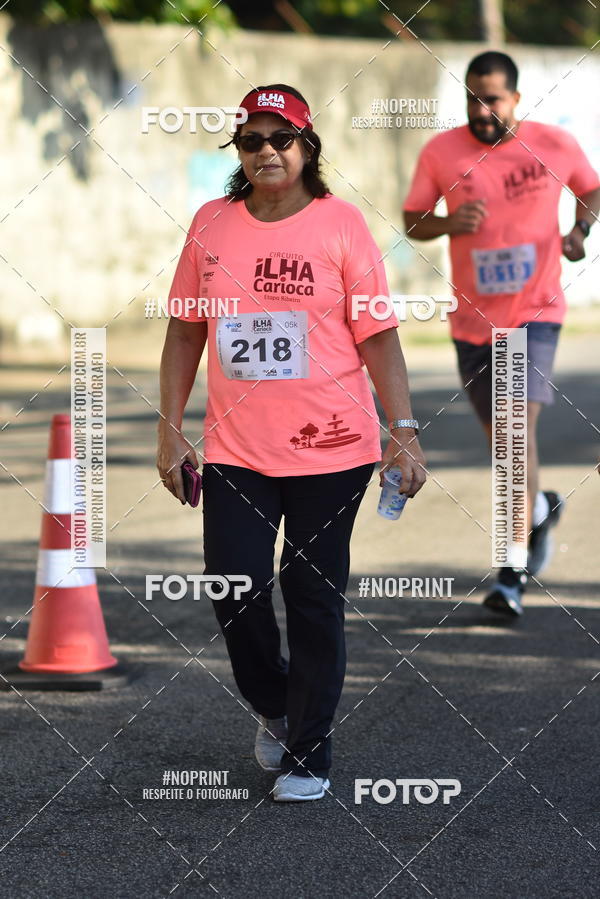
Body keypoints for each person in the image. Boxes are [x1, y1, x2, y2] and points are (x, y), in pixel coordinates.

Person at [157, 84, 426, 802]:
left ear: (308, 148)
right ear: (238, 153)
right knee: (236, 588)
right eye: (253, 141)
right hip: (238, 448)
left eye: (283, 139)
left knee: (312, 593)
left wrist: (402, 433)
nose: (267, 151)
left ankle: (309, 748)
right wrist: (169, 427)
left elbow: (378, 334)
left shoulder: (341, 226)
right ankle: (276, 705)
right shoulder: (211, 224)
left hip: (334, 447)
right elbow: (186, 328)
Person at [403, 51, 600, 617]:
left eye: (492, 98)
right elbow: (413, 216)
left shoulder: (553, 144)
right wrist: (447, 223)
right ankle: (539, 506)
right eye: (472, 97)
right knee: (504, 441)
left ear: (516, 98)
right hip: (472, 321)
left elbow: (591, 189)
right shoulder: (442, 151)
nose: (481, 109)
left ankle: (510, 569)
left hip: (535, 312)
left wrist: (579, 229)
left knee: (515, 436)